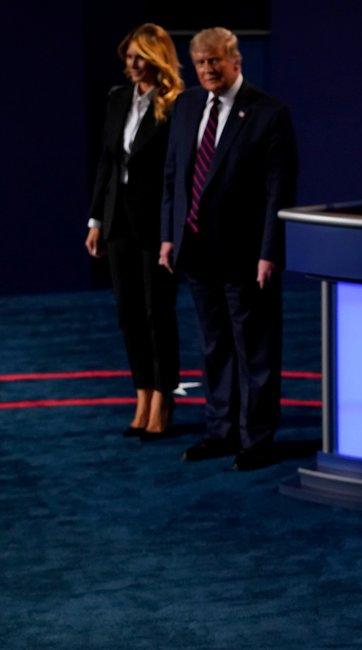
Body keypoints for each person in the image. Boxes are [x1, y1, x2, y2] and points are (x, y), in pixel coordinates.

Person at [159, 27, 298, 470]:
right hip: (195, 248)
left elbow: (280, 190)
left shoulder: (268, 113)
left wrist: (269, 251)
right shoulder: (186, 106)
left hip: (245, 254)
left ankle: (256, 438)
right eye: (200, 63)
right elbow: (172, 178)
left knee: (254, 348)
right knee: (214, 344)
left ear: (236, 61)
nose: (207, 70)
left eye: (215, 61)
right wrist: (168, 235)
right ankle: (220, 431)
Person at [86, 23, 184, 439]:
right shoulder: (117, 99)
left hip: (156, 224)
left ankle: (163, 399)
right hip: (118, 222)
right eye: (129, 57)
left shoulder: (178, 105)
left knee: (156, 312)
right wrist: (95, 221)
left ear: (158, 58)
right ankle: (141, 394)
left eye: (141, 56)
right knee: (128, 313)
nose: (134, 64)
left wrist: (173, 229)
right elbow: (107, 164)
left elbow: (178, 173)